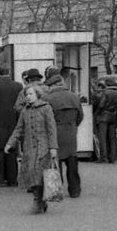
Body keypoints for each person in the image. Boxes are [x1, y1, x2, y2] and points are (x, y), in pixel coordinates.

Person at [4, 84, 58, 214]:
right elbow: (19, 129)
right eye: (26, 94)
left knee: (40, 175)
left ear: (37, 94)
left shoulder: (46, 108)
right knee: (32, 174)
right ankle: (39, 201)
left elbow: (51, 129)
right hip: (29, 148)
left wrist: (53, 147)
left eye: (30, 94)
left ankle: (38, 201)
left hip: (43, 148)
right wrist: (10, 143)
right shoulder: (25, 110)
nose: (28, 97)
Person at [42, 67, 83, 198]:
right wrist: (72, 125)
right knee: (72, 162)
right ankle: (75, 190)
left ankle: (56, 189)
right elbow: (80, 116)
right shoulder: (74, 97)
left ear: (52, 85)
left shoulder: (48, 99)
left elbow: (46, 118)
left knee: (55, 161)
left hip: (55, 132)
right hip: (71, 132)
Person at [94, 79, 117, 164]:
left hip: (103, 117)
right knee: (112, 137)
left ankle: (103, 157)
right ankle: (113, 157)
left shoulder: (106, 93)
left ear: (107, 85)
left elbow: (101, 105)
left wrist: (96, 114)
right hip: (113, 116)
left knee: (103, 137)